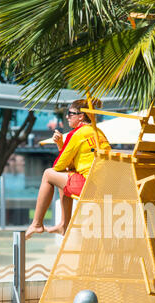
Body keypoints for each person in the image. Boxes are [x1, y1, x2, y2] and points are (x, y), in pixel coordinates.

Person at [25, 99, 111, 240]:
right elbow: (68, 167)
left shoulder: (77, 134)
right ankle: (63, 225)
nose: (67, 117)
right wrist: (61, 145)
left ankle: (37, 224)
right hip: (105, 186)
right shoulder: (98, 132)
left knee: (48, 174)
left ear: (81, 116)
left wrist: (60, 146)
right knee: (64, 177)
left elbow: (58, 166)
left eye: (71, 114)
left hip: (90, 186)